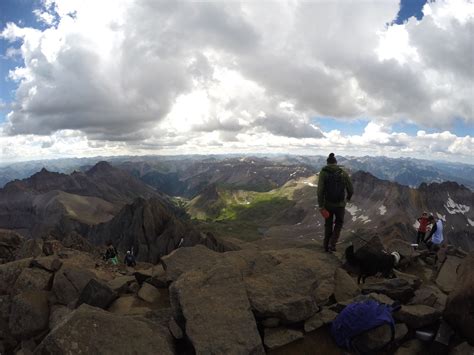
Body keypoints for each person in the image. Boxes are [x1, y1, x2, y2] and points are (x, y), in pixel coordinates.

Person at [317, 153, 353, 252]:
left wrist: (321, 206)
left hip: (328, 204)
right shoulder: (343, 173)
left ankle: (325, 246)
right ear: (336, 162)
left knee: (328, 224)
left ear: (327, 163)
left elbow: (320, 191)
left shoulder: (323, 173)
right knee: (338, 224)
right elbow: (351, 189)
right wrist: (348, 198)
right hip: (340, 205)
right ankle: (332, 244)